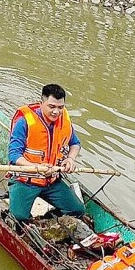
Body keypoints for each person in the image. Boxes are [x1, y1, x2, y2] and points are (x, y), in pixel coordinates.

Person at [7, 83, 86, 222]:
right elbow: (14, 155)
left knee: (77, 210)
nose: (56, 112)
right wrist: (36, 167)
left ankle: (49, 220)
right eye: (52, 106)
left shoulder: (64, 121)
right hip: (26, 181)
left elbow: (75, 143)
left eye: (60, 107)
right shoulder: (25, 122)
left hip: (52, 182)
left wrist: (71, 159)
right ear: (41, 103)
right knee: (18, 218)